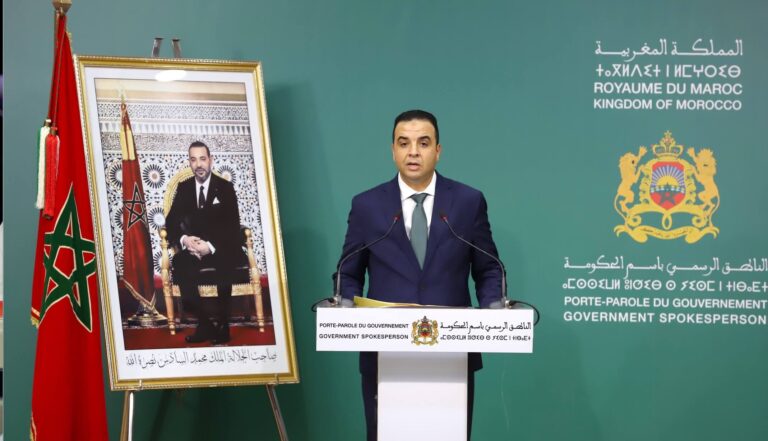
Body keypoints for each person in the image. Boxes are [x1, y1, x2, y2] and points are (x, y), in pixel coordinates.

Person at [335, 110, 503, 440]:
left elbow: (489, 269)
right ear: (393, 150)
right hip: (384, 353)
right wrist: (345, 305)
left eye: (423, 143)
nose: (413, 152)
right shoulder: (367, 205)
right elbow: (348, 272)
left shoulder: (468, 202)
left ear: (438, 150)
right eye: (404, 143)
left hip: (452, 352)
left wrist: (494, 308)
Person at [165, 141, 242, 345]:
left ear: (210, 160)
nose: (198, 164)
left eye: (202, 159)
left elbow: (233, 226)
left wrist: (210, 247)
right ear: (189, 162)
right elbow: (170, 222)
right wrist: (185, 240)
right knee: (180, 263)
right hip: (193, 249)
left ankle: (223, 325)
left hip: (220, 247)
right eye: (193, 159)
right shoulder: (184, 188)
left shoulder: (225, 187)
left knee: (225, 261)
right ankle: (205, 323)